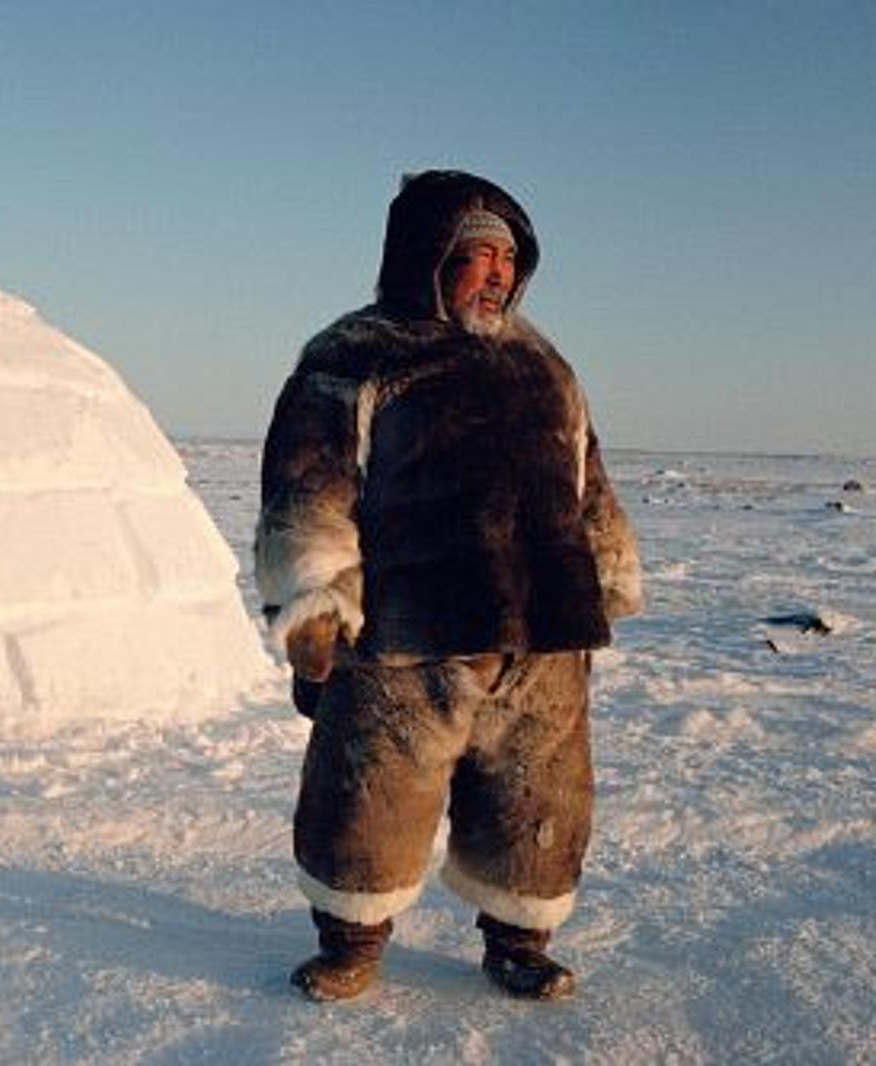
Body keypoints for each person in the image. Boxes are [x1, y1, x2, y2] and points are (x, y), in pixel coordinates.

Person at [254, 169, 642, 1003]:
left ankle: (519, 938)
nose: (498, 273)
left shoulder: (544, 364)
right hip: (407, 629)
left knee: (537, 796)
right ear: (426, 258)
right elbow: (309, 485)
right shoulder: (356, 356)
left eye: (510, 257)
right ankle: (352, 938)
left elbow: (586, 474)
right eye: (478, 254)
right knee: (371, 795)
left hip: (541, 630)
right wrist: (315, 600)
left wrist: (604, 570)